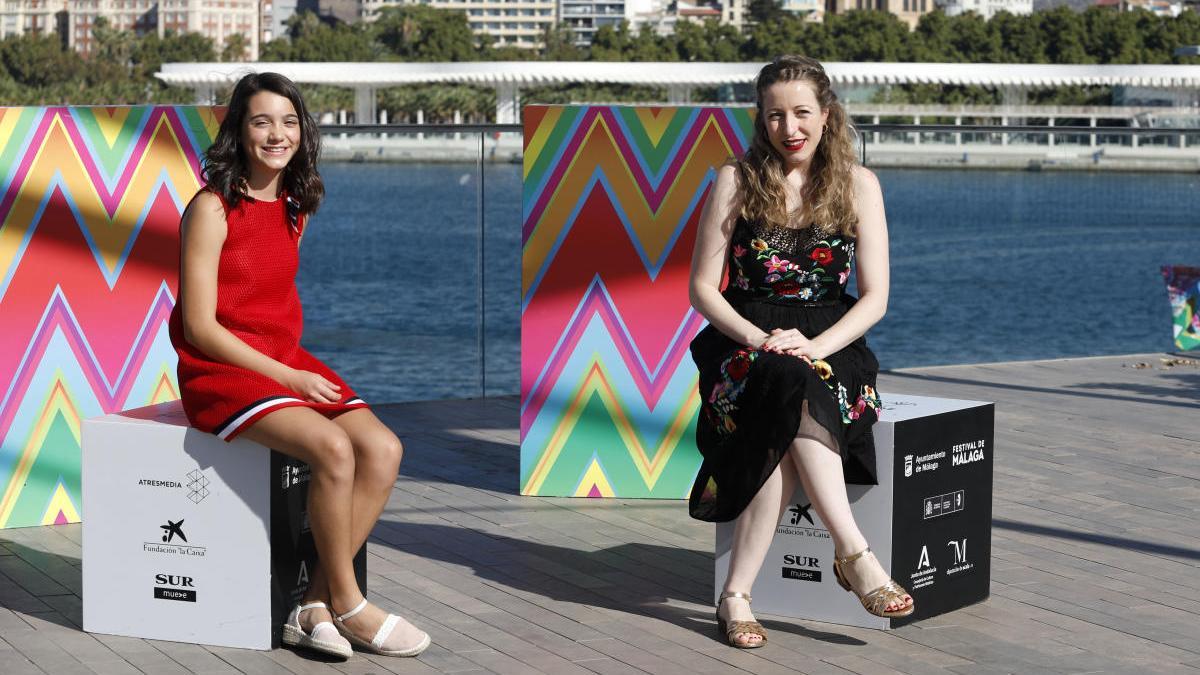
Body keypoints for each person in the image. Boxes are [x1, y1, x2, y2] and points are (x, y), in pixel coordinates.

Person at [168, 72, 430, 659]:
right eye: (261, 121)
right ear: (238, 130)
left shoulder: (294, 206)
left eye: (288, 122)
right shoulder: (211, 208)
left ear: (302, 131)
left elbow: (272, 301)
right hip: (219, 370)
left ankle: (313, 605)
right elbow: (200, 327)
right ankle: (353, 604)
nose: (276, 134)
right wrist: (286, 378)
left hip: (282, 358)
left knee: (384, 450)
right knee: (334, 449)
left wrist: (288, 367)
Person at [687, 55, 913, 649]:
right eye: (776, 116)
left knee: (792, 389)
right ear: (761, 121)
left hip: (832, 342)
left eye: (802, 113)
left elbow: (876, 297)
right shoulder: (735, 180)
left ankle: (736, 594)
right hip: (743, 343)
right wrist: (761, 339)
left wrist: (813, 346)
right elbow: (703, 291)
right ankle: (854, 553)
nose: (790, 128)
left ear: (827, 114)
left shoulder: (859, 185)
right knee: (784, 381)